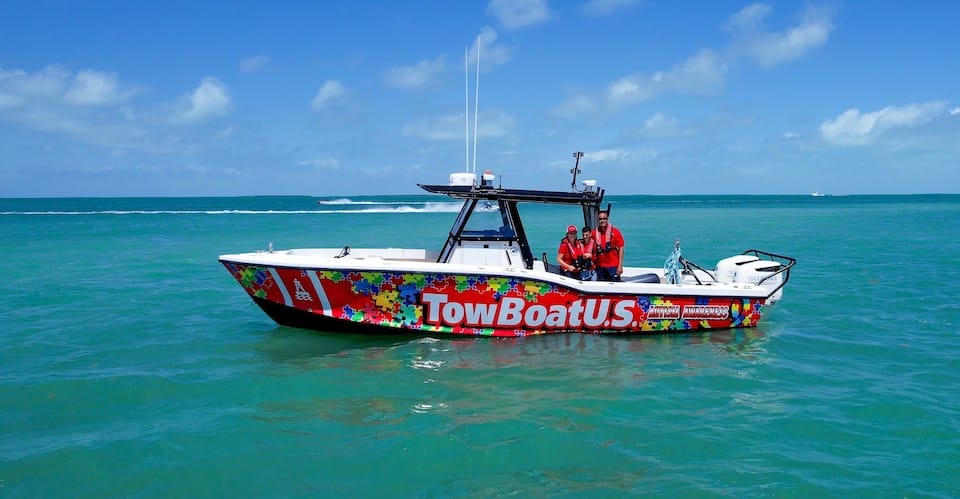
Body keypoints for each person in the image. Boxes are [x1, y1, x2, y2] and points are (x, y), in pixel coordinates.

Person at [592, 211, 624, 281]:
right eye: (600, 219)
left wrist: (620, 266)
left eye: (604, 219)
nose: (602, 221)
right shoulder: (594, 233)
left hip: (613, 266)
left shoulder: (616, 232)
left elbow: (621, 249)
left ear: (607, 219)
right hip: (600, 266)